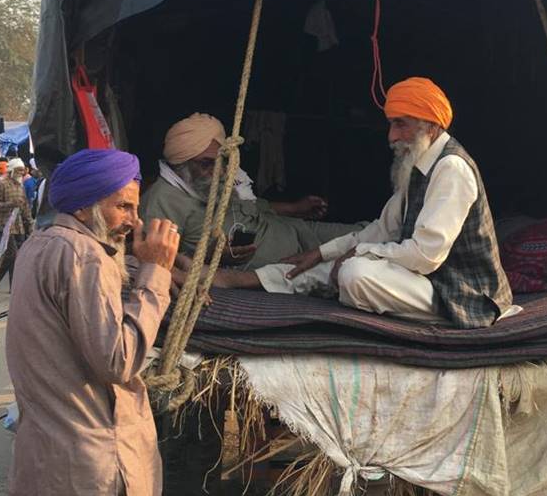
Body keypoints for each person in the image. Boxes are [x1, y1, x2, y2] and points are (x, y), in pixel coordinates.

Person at [6, 148, 179, 496]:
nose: (133, 219)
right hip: (92, 479)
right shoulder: (83, 257)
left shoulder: (40, 247)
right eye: (124, 206)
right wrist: (154, 272)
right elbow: (118, 356)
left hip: (49, 468)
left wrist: (137, 271)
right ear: (89, 206)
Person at [213, 77, 514, 328]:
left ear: (431, 126)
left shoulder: (451, 168)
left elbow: (425, 256)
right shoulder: (419, 164)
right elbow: (381, 230)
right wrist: (320, 253)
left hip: (465, 295)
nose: (392, 136)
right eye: (391, 125)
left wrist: (360, 253)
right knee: (333, 266)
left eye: (401, 125)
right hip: (430, 282)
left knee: (355, 273)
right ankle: (240, 280)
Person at [141, 112, 363, 268]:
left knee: (368, 233)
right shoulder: (163, 201)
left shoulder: (209, 180)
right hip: (292, 260)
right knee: (364, 256)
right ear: (181, 165)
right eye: (206, 163)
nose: (219, 170)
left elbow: (250, 207)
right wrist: (215, 257)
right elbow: (159, 260)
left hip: (296, 230)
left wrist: (294, 208)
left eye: (222, 161)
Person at [0, 158, 34, 292]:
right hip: (5, 225)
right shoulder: (1, 184)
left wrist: (30, 224)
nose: (21, 173)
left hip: (19, 226)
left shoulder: (20, 186)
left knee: (18, 256)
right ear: (12, 170)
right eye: (19, 170)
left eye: (22, 170)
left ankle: (13, 286)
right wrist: (10, 204)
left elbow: (25, 207)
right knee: (11, 254)